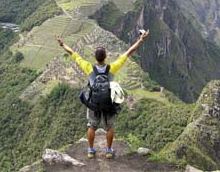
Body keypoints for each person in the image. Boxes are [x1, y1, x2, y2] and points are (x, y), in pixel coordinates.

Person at [55, 29, 149, 159]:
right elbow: (129, 52)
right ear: (105, 57)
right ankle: (109, 151)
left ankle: (90, 151)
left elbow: (73, 53)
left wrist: (61, 44)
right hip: (109, 102)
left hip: (94, 103)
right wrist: (141, 40)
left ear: (95, 58)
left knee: (92, 126)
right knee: (110, 127)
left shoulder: (88, 67)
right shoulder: (112, 67)